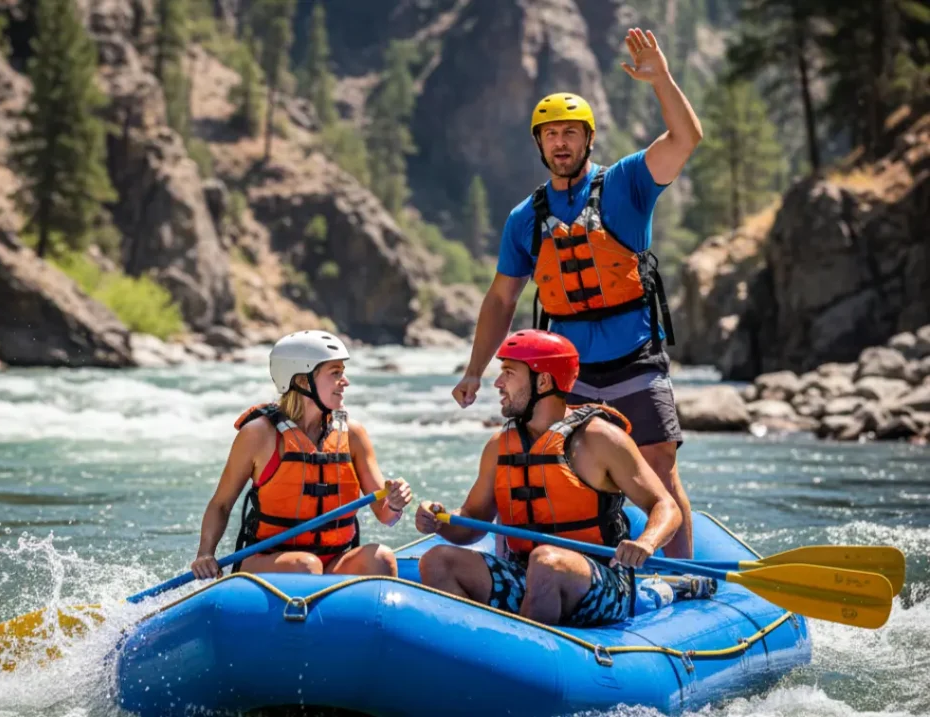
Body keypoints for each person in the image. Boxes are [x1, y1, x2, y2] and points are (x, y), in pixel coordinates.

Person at [451, 28, 702, 558]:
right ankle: (562, 570)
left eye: (570, 132)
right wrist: (475, 370)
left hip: (635, 355)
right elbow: (501, 300)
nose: (560, 142)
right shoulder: (526, 218)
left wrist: (661, 81)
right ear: (539, 144)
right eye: (550, 134)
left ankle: (680, 578)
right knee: (556, 467)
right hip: (568, 370)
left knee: (658, 462)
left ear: (588, 139)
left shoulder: (629, 183)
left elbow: (685, 139)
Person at [418, 330, 681, 627]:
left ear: (543, 381)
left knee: (546, 562)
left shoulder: (600, 439)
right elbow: (471, 521)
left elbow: (665, 506)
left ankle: (526, 658)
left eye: (508, 373)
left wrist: (646, 542)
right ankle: (472, 652)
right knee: (437, 560)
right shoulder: (499, 446)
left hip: (601, 578)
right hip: (526, 573)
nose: (498, 383)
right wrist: (440, 520)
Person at [191, 330, 413, 580]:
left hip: (331, 561)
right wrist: (205, 554)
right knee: (305, 566)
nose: (346, 381)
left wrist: (394, 503)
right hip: (268, 562)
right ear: (303, 381)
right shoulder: (259, 435)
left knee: (380, 558)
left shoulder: (353, 434)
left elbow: (386, 515)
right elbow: (221, 504)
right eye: (335, 373)